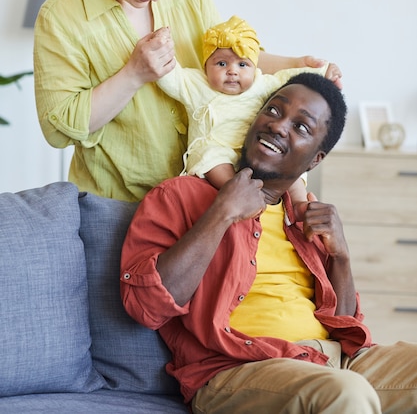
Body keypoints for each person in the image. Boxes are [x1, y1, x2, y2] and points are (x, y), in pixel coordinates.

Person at [34, 0, 341, 202]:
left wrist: (298, 64)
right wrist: (134, 74)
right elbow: (59, 128)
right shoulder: (61, 16)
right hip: (119, 202)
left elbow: (224, 56)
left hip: (201, 193)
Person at [121, 72, 417, 413]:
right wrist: (222, 213)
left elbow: (348, 327)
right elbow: (145, 307)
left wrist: (341, 257)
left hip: (331, 361)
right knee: (344, 392)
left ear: (316, 159)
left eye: (301, 127)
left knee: (347, 384)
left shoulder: (304, 215)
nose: (279, 126)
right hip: (239, 368)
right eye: (274, 111)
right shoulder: (181, 195)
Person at [156, 15, 328, 204]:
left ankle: (300, 203)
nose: (232, 71)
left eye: (242, 64)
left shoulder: (262, 84)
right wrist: (160, 51)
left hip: (256, 148)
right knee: (209, 157)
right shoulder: (197, 83)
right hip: (217, 148)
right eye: (221, 64)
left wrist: (324, 70)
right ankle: (236, 191)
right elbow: (173, 78)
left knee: (294, 166)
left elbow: (291, 79)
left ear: (254, 68)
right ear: (206, 66)